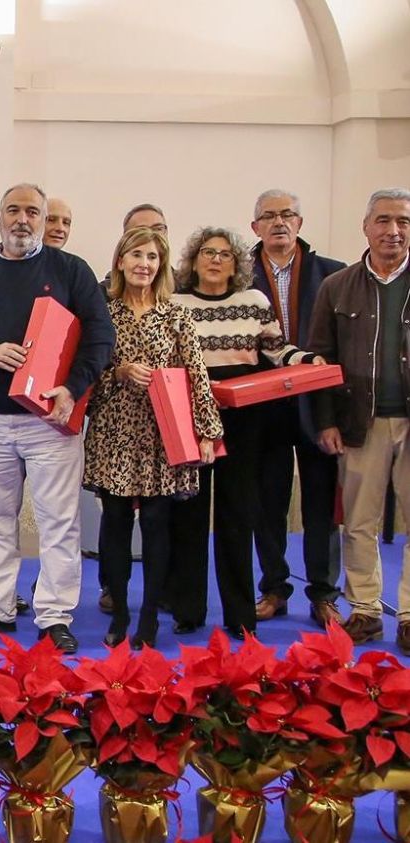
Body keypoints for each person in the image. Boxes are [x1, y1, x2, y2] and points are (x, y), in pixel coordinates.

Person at [0, 183, 115, 653]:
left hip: (52, 419)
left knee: (58, 521)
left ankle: (54, 614)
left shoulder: (70, 270)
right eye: (13, 210)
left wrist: (72, 388)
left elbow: (100, 338)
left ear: (44, 218)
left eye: (32, 212)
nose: (23, 219)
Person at [171, 225, 322, 640]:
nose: (216, 259)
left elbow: (277, 350)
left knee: (238, 515)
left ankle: (240, 615)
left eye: (224, 253)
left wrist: (308, 359)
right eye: (207, 252)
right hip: (190, 416)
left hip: (245, 419)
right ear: (194, 260)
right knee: (188, 514)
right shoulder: (175, 303)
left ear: (236, 263)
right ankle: (188, 610)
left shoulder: (254, 301)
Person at [84, 226, 221, 648]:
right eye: (136, 255)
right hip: (114, 433)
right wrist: (119, 373)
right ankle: (120, 612)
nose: (144, 264)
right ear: (120, 261)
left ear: (160, 266)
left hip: (165, 435)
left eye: (153, 257)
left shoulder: (177, 315)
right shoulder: (101, 313)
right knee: (116, 525)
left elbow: (198, 376)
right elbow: (86, 376)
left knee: (159, 526)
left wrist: (207, 433)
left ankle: (149, 616)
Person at [308, 188, 410, 654]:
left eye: (404, 222)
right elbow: (322, 362)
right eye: (384, 221)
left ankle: (408, 616)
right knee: (359, 523)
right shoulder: (337, 286)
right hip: (359, 423)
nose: (394, 231)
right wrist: (325, 421)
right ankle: (366, 610)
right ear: (366, 227)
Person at [247, 189, 346, 628]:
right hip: (262, 406)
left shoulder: (333, 275)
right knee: (267, 502)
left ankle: (324, 594)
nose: (279, 222)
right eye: (268, 216)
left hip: (317, 405)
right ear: (255, 228)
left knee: (321, 504)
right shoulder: (239, 276)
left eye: (287, 214)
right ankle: (273, 588)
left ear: (301, 223)